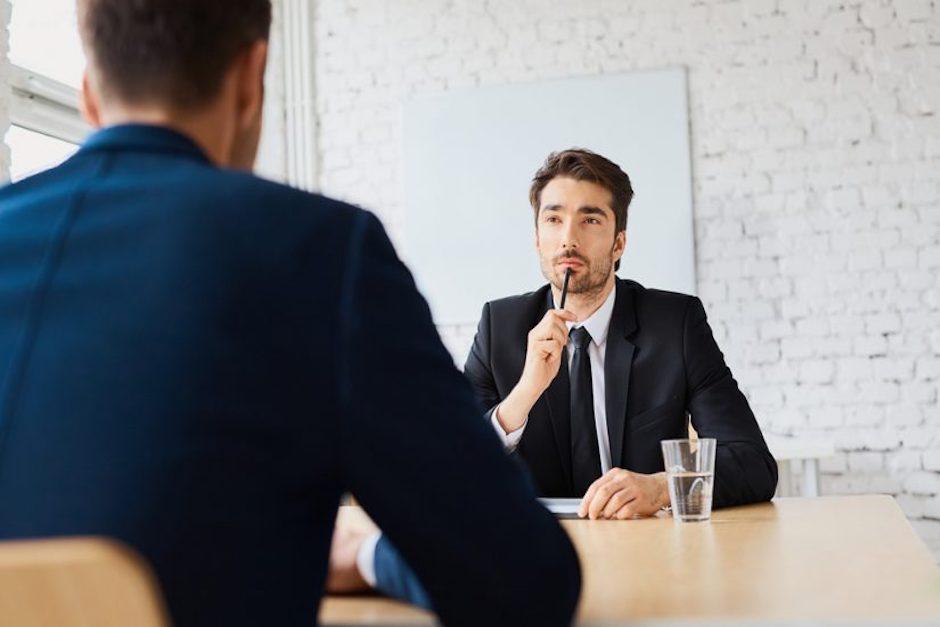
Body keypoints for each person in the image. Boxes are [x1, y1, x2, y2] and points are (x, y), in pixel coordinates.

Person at [0, 2, 580, 626]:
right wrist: (367, 557)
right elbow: (524, 579)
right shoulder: (321, 251)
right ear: (252, 79)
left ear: (89, 94)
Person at [465, 148, 778, 517]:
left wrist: (662, 486)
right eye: (553, 219)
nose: (569, 239)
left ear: (619, 244)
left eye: (590, 220)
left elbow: (754, 463)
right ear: (537, 239)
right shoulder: (498, 326)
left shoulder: (676, 324)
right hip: (537, 552)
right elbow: (449, 463)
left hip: (646, 548)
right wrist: (524, 394)